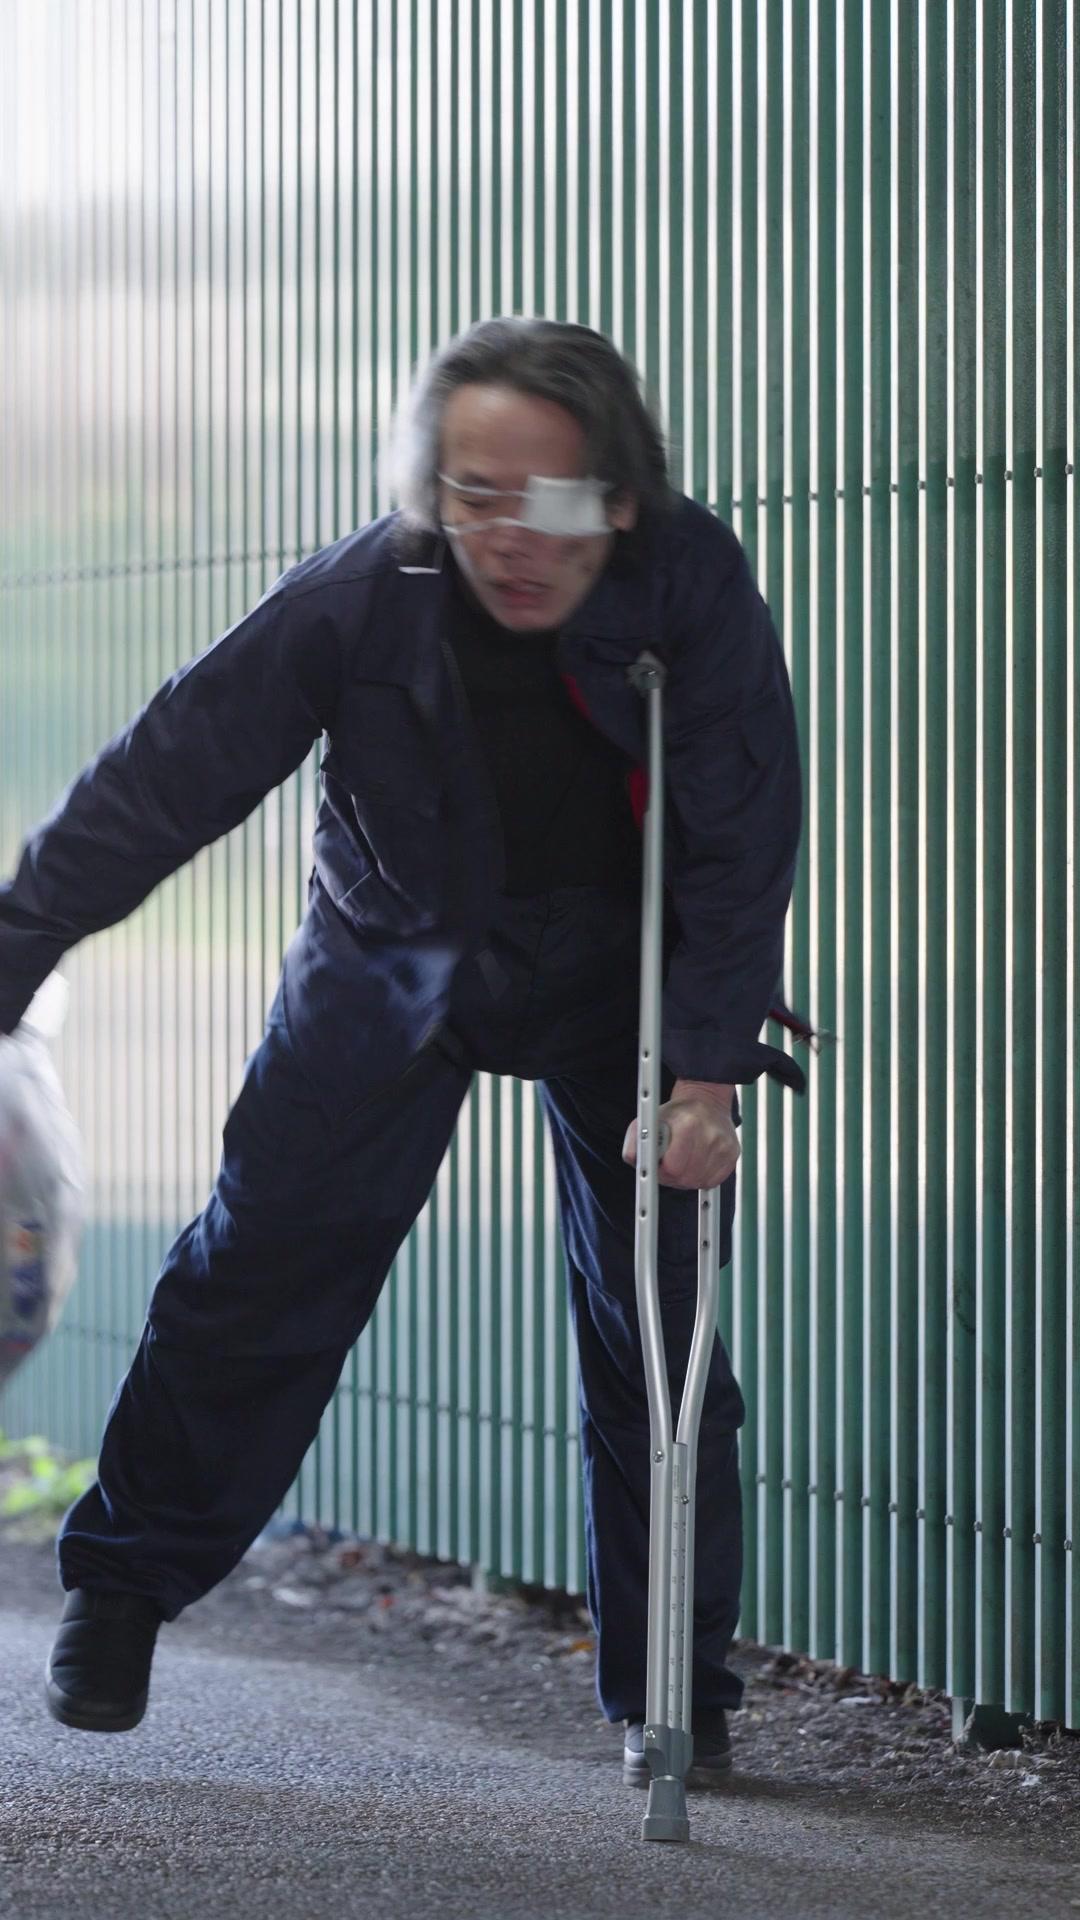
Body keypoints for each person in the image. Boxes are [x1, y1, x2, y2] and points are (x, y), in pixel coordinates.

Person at [0, 317, 808, 1786]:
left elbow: (743, 837)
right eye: (471, 492)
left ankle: (671, 1690)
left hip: (625, 973)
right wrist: (12, 954)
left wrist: (702, 1077)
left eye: (550, 499)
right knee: (264, 1259)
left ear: (622, 499)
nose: (508, 534)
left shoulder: (690, 583)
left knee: (661, 1325)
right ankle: (122, 1588)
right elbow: (165, 778)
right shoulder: (364, 595)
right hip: (394, 952)